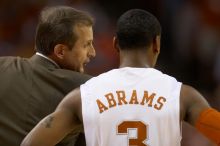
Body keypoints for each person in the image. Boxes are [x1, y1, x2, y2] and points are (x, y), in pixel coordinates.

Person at [21, 9, 220, 146]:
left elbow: (30, 143)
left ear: (116, 44)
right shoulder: (182, 95)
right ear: (156, 44)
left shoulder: (82, 97)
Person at [0, 6, 95, 146]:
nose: (93, 53)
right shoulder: (88, 88)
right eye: (87, 45)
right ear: (60, 51)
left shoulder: (2, 66)